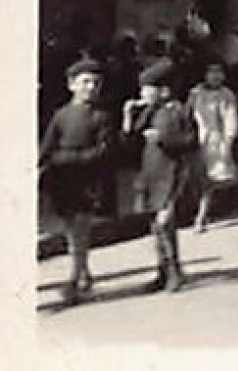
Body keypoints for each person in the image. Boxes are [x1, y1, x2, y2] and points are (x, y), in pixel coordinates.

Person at [39, 58, 116, 306]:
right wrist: (40, 164)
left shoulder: (103, 115)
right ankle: (84, 275)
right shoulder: (62, 115)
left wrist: (66, 158)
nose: (91, 87)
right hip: (64, 181)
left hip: (89, 182)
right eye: (85, 82)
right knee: (71, 230)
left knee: (80, 228)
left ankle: (76, 279)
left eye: (96, 83)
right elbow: (47, 145)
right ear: (72, 85)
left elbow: (103, 151)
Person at [124, 59, 198, 293]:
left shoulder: (176, 110)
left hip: (171, 173)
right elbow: (130, 143)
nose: (143, 94)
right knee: (155, 225)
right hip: (151, 173)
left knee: (165, 222)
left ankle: (175, 270)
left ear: (163, 91)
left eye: (148, 90)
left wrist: (163, 140)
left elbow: (191, 140)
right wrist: (127, 117)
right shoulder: (147, 112)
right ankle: (163, 269)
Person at [187, 58, 238, 233]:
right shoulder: (196, 93)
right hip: (196, 140)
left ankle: (201, 216)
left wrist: (227, 142)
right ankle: (200, 209)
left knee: (208, 181)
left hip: (215, 140)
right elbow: (187, 115)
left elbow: (231, 120)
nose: (215, 76)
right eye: (211, 72)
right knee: (195, 179)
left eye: (219, 72)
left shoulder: (226, 95)